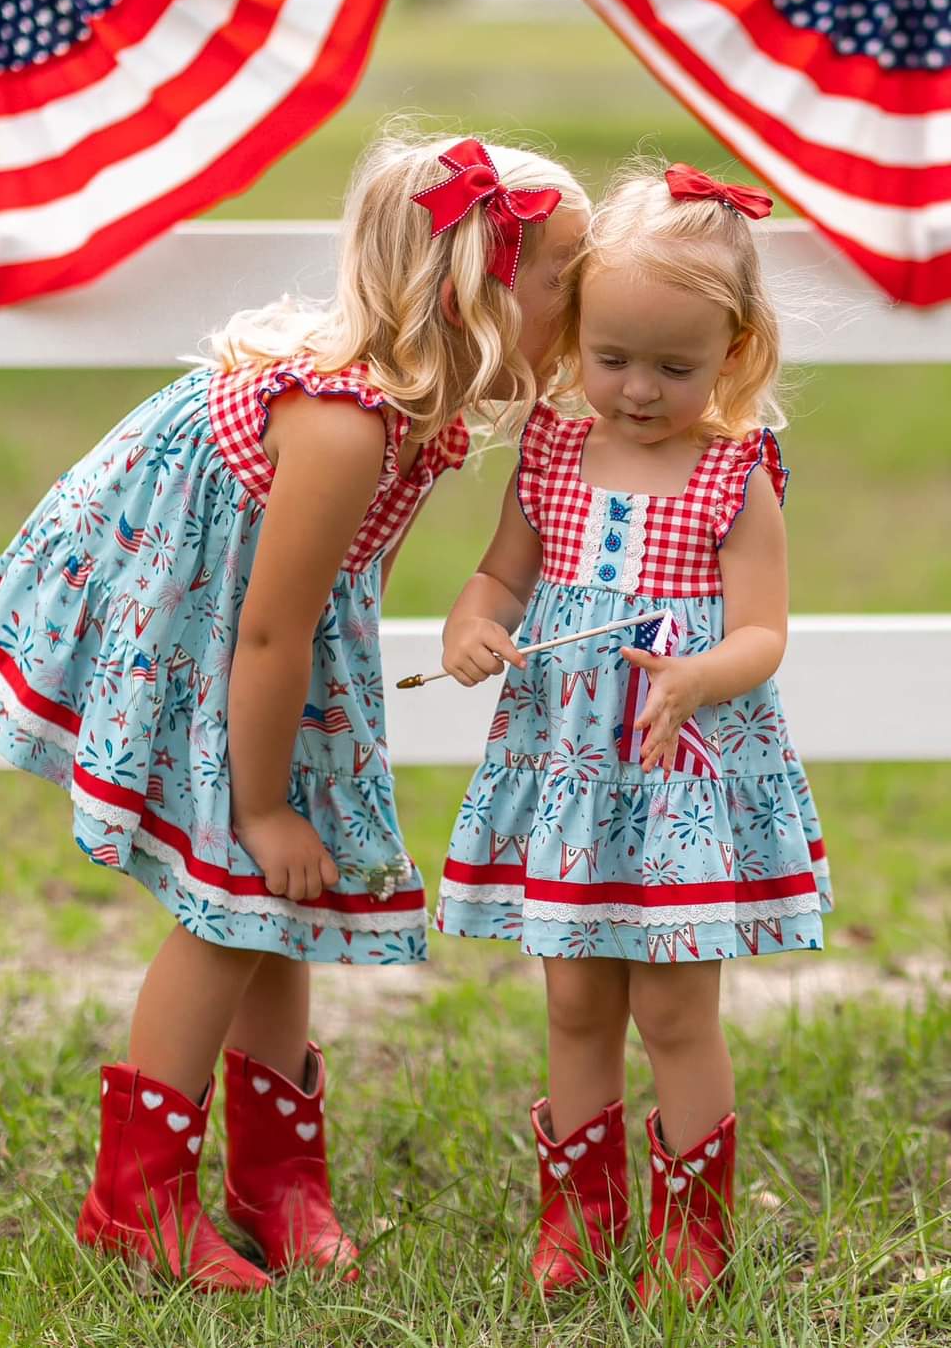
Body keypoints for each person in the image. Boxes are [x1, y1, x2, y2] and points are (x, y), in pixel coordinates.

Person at [0, 130, 589, 1292]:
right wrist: (261, 802)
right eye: (568, 274)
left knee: (279, 906)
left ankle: (275, 1180)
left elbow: (334, 593)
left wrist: (323, 737)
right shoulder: (345, 424)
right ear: (479, 292)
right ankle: (132, 1200)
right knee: (231, 893)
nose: (587, 294)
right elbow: (266, 631)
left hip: (266, 635)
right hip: (198, 626)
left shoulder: (416, 413)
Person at [435, 160, 833, 1307]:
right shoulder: (554, 453)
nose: (641, 391)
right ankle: (581, 1210)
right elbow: (499, 581)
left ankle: (693, 1223)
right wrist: (473, 623)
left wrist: (701, 672)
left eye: (675, 365)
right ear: (574, 339)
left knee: (671, 1004)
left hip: (675, 776)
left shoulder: (732, 472)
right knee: (573, 997)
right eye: (612, 359)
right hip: (570, 769)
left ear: (736, 352)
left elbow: (763, 632)